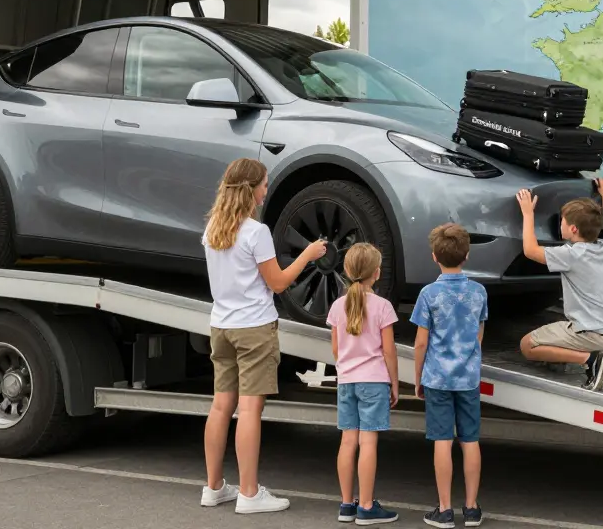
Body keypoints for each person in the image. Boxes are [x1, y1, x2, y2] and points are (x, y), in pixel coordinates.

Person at [199, 157, 327, 514]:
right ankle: (250, 494)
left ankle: (213, 488)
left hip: (221, 326)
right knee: (250, 410)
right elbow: (279, 283)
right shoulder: (256, 232)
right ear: (250, 189)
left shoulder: (213, 229)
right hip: (254, 328)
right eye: (264, 184)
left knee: (221, 406)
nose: (267, 189)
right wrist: (309, 254)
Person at [515, 178, 603, 392]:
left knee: (527, 346)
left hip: (592, 336)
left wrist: (528, 214)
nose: (559, 224)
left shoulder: (571, 254)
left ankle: (591, 360)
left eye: (561, 221)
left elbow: (530, 250)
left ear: (572, 228)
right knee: (560, 332)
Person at [410, 223, 487, 529]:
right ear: (466, 255)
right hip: (468, 378)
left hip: (438, 378)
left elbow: (420, 342)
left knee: (442, 439)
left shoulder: (429, 294)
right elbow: (479, 333)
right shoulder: (478, 292)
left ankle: (444, 509)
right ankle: (471, 508)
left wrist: (418, 378)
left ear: (434, 256)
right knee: (470, 440)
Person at [327, 243, 401, 525]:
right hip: (373, 381)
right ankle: (367, 507)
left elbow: (335, 349)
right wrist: (394, 383)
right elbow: (389, 351)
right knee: (368, 442)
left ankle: (346, 504)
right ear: (377, 273)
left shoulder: (337, 306)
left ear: (346, 271)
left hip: (347, 381)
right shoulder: (383, 307)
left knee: (348, 442)